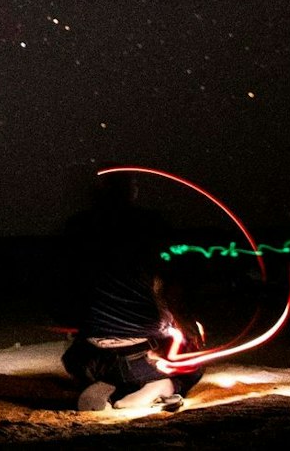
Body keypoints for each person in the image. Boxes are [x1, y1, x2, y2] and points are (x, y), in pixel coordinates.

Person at [59, 172, 204, 411]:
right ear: (130, 190)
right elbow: (169, 285)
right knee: (192, 361)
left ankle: (109, 384)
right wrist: (186, 325)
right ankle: (161, 387)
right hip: (140, 356)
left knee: (77, 348)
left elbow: (66, 288)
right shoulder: (150, 224)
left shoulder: (77, 227)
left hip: (86, 358)